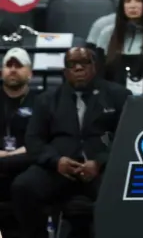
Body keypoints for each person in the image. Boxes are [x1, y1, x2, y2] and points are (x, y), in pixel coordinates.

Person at [12, 47, 130, 238]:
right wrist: (56, 161)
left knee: (125, 189)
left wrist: (100, 161)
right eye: (72, 65)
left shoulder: (118, 95)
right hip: (59, 168)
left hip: (102, 169)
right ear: (65, 71)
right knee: (23, 187)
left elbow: (126, 137)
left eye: (84, 63)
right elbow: (34, 139)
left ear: (95, 66)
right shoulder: (47, 100)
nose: (78, 68)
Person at [0, 47, 36, 226]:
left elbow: (41, 138)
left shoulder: (41, 101)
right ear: (2, 72)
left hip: (26, 159)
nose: (13, 70)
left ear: (30, 73)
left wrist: (10, 155)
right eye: (9, 65)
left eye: (19, 66)